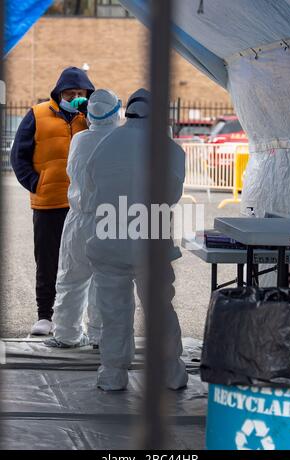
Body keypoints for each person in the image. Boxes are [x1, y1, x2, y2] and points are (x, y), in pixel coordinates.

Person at [85, 89, 189, 391]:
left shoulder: (105, 145)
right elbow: (172, 194)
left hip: (109, 240)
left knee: (113, 311)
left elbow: (91, 188)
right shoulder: (169, 149)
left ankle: (113, 373)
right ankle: (170, 372)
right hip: (150, 241)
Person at [10, 67, 95, 336]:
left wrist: (92, 114)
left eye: (80, 94)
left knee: (82, 261)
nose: (74, 97)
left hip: (82, 204)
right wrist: (36, 183)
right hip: (49, 201)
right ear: (59, 92)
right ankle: (44, 315)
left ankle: (72, 318)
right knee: (47, 260)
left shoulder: (89, 118)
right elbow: (18, 155)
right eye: (69, 93)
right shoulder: (37, 114)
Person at [45, 89, 122, 348]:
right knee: (107, 281)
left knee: (71, 277)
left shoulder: (79, 139)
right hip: (111, 220)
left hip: (79, 218)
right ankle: (101, 336)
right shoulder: (121, 140)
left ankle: (66, 334)